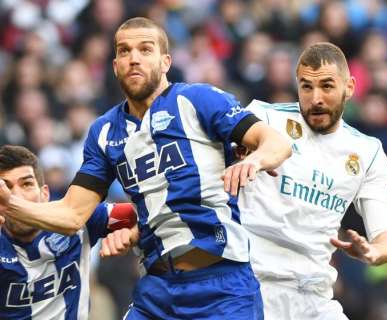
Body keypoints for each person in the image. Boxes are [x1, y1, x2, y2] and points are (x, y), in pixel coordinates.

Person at [0, 17, 292, 319]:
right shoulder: (103, 133)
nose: (134, 58)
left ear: (165, 61)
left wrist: (254, 159)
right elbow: (72, 214)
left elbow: (276, 143)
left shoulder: (197, 100)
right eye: (124, 51)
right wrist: (9, 205)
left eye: (145, 49)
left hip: (223, 286)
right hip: (157, 291)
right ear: (115, 66)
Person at [238, 42, 387, 319]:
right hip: (251, 286)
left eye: (326, 86)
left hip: (314, 296)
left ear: (349, 87)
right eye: (306, 87)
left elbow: (386, 240)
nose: (315, 98)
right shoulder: (264, 119)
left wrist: (373, 251)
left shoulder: (367, 152)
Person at [0, 145, 137, 320]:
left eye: (26, 184)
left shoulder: (80, 219)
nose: (16, 196)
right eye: (6, 189)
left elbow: (142, 214)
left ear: (45, 194)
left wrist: (132, 233)